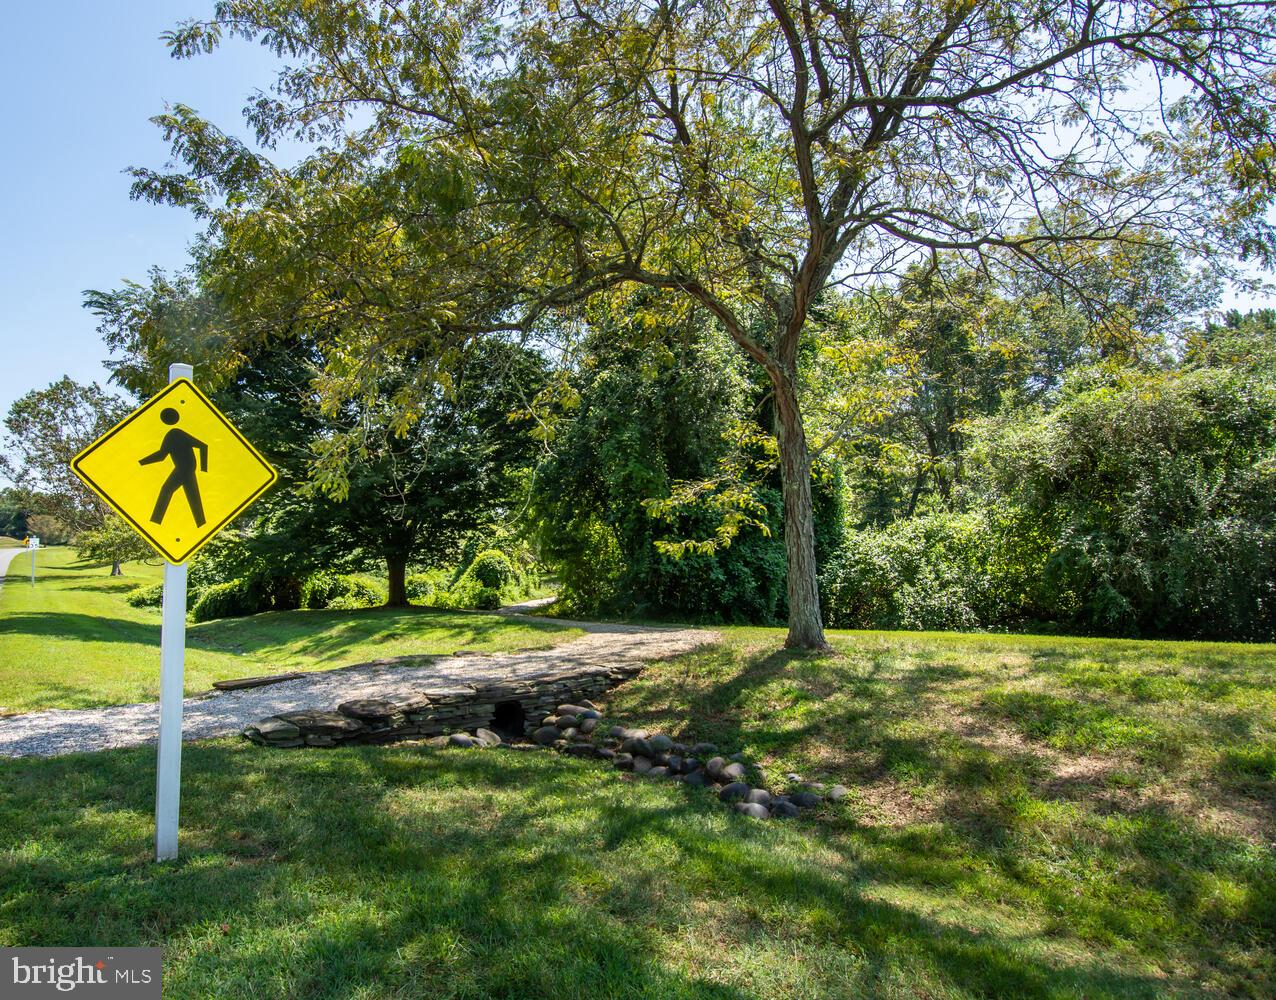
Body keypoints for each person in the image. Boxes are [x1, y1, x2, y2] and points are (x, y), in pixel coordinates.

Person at [139, 408, 208, 527]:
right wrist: (142, 462)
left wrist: (204, 469)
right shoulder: (174, 433)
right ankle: (201, 524)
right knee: (193, 498)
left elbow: (203, 446)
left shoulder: (174, 434)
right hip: (188, 468)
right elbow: (162, 456)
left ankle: (155, 522)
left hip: (183, 469)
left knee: (166, 490)